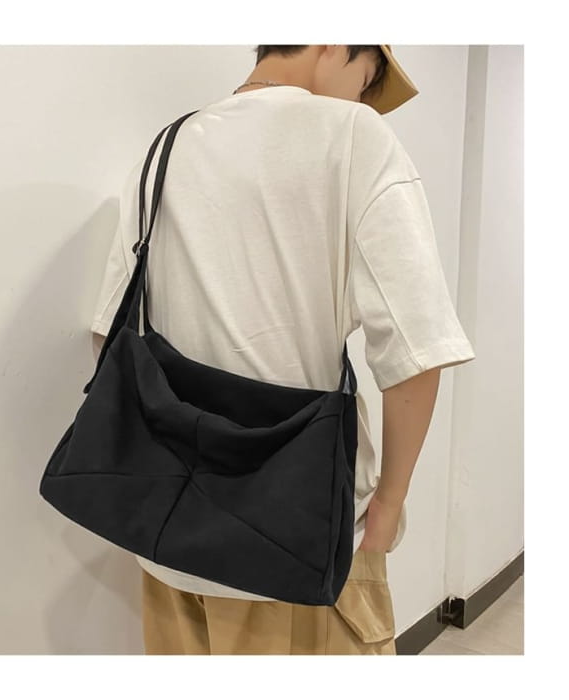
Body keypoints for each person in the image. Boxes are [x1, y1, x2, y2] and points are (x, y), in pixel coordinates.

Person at [90, 45, 476, 654]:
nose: (361, 100)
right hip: (301, 547)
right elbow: (416, 348)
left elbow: (107, 335)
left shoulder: (164, 148)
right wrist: (388, 505)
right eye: (365, 81)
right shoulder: (355, 136)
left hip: (168, 544)